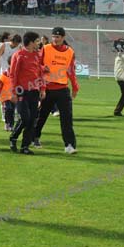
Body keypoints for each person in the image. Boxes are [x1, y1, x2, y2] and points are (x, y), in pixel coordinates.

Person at [34, 26, 79, 154]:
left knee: (67, 118)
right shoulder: (46, 48)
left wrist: (75, 86)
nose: (55, 39)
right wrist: (43, 68)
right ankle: (34, 137)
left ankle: (69, 145)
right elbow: (36, 64)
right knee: (41, 116)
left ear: (63, 37)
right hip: (46, 88)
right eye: (53, 36)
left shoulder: (70, 52)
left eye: (58, 37)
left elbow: (71, 71)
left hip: (62, 89)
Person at [8, 32, 46, 155]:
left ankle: (25, 146)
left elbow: (40, 73)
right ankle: (13, 137)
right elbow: (13, 75)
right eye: (37, 41)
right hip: (21, 92)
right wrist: (13, 92)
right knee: (25, 118)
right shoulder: (18, 55)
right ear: (30, 42)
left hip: (34, 91)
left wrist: (42, 89)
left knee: (32, 119)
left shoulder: (37, 55)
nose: (39, 43)